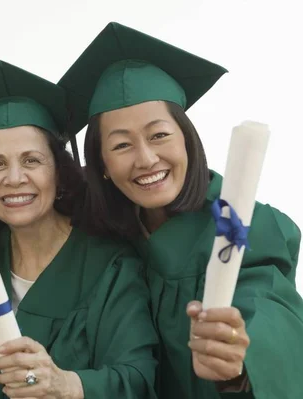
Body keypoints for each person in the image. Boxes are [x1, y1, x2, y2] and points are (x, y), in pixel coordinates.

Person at [59, 21, 303, 398]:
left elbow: (268, 310)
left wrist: (237, 367)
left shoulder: (242, 224)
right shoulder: (104, 237)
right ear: (102, 164)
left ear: (187, 139)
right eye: (122, 145)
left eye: (159, 135)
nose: (146, 159)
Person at [0, 60, 158, 398]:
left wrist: (66, 385)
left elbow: (138, 378)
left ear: (59, 174)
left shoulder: (111, 266)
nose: (14, 178)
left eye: (32, 160)